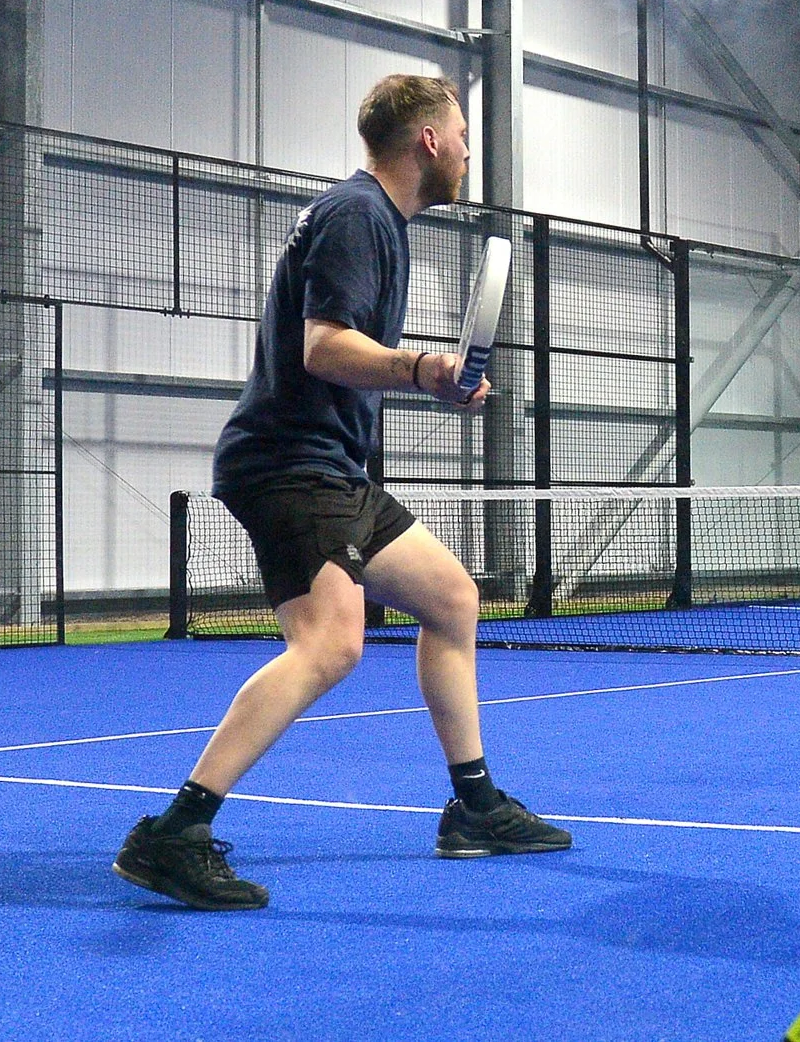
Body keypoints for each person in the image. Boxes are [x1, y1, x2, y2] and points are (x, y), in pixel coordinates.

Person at [114, 75, 570, 911]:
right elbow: (324, 348)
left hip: (334, 468)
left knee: (452, 599)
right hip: (290, 462)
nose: (469, 149)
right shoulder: (359, 214)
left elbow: (344, 355)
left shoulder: (379, 224)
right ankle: (176, 832)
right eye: (462, 133)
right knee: (332, 645)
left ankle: (475, 809)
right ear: (427, 141)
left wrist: (433, 381)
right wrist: (421, 367)